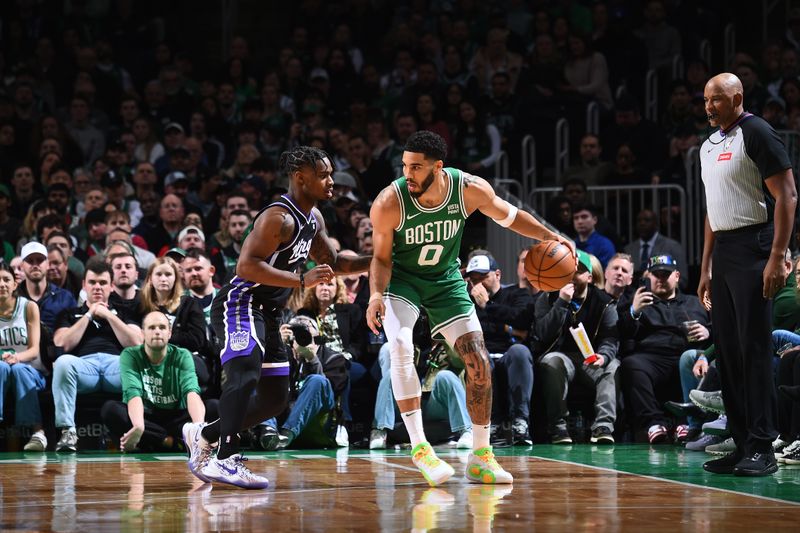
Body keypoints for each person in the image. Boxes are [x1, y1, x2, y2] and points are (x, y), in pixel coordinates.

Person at [366, 130, 574, 486]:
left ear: (438, 167)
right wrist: (374, 295)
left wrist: (546, 236)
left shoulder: (469, 189)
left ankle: (481, 456)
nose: (407, 174)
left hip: (446, 280)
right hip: (403, 281)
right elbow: (381, 258)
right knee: (399, 346)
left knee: (478, 360)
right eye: (404, 166)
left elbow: (511, 216)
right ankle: (421, 449)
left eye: (416, 167)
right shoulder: (389, 201)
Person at [182, 146, 370, 489]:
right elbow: (246, 266)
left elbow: (337, 264)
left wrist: (380, 260)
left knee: (274, 399)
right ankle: (225, 458)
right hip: (241, 303)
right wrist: (300, 280)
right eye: (324, 175)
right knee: (244, 372)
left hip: (270, 312)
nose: (331, 181)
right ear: (301, 178)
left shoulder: (313, 220)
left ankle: (205, 435)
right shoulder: (278, 218)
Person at [697, 72, 797, 476]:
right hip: (723, 251)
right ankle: (741, 444)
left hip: (755, 246)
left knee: (754, 351)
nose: (708, 107)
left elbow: (787, 194)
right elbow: (712, 207)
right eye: (705, 100)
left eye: (716, 99)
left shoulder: (757, 131)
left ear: (736, 97)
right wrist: (704, 266)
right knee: (729, 352)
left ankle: (763, 446)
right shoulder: (708, 145)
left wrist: (776, 255)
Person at [51, 259, 144, 452]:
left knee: (134, 363)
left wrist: (109, 315)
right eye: (92, 282)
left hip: (116, 366)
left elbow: (136, 342)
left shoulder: (124, 312)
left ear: (111, 286)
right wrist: (88, 315)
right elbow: (63, 343)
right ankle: (68, 432)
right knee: (62, 362)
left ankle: (136, 429)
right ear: (84, 285)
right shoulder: (70, 313)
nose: (97, 287)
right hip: (84, 367)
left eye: (102, 283)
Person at [534, 250, 620, 444]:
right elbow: (542, 333)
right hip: (562, 356)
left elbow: (611, 338)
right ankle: (558, 427)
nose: (572, 276)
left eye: (578, 271)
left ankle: (603, 426)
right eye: (568, 270)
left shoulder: (605, 302)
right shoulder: (548, 297)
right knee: (551, 361)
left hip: (591, 359)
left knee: (612, 365)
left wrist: (604, 356)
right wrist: (561, 303)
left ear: (589, 277)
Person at [100, 311, 216, 452]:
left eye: (162, 327)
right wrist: (139, 427)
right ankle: (170, 442)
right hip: (147, 416)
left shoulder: (182, 355)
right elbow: (133, 393)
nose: (157, 332)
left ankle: (156, 442)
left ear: (169, 333)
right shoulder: (130, 355)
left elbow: (191, 392)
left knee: (215, 407)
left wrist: (198, 430)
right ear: (142, 333)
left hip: (177, 417)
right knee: (110, 409)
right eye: (151, 328)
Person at [0, 262, 47, 451]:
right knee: (1, 367)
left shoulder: (29, 307)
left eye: (6, 279)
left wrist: (17, 358)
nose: (2, 284)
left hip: (31, 369)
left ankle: (38, 433)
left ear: (14, 284)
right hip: (2, 369)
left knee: (19, 369)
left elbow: (34, 350)